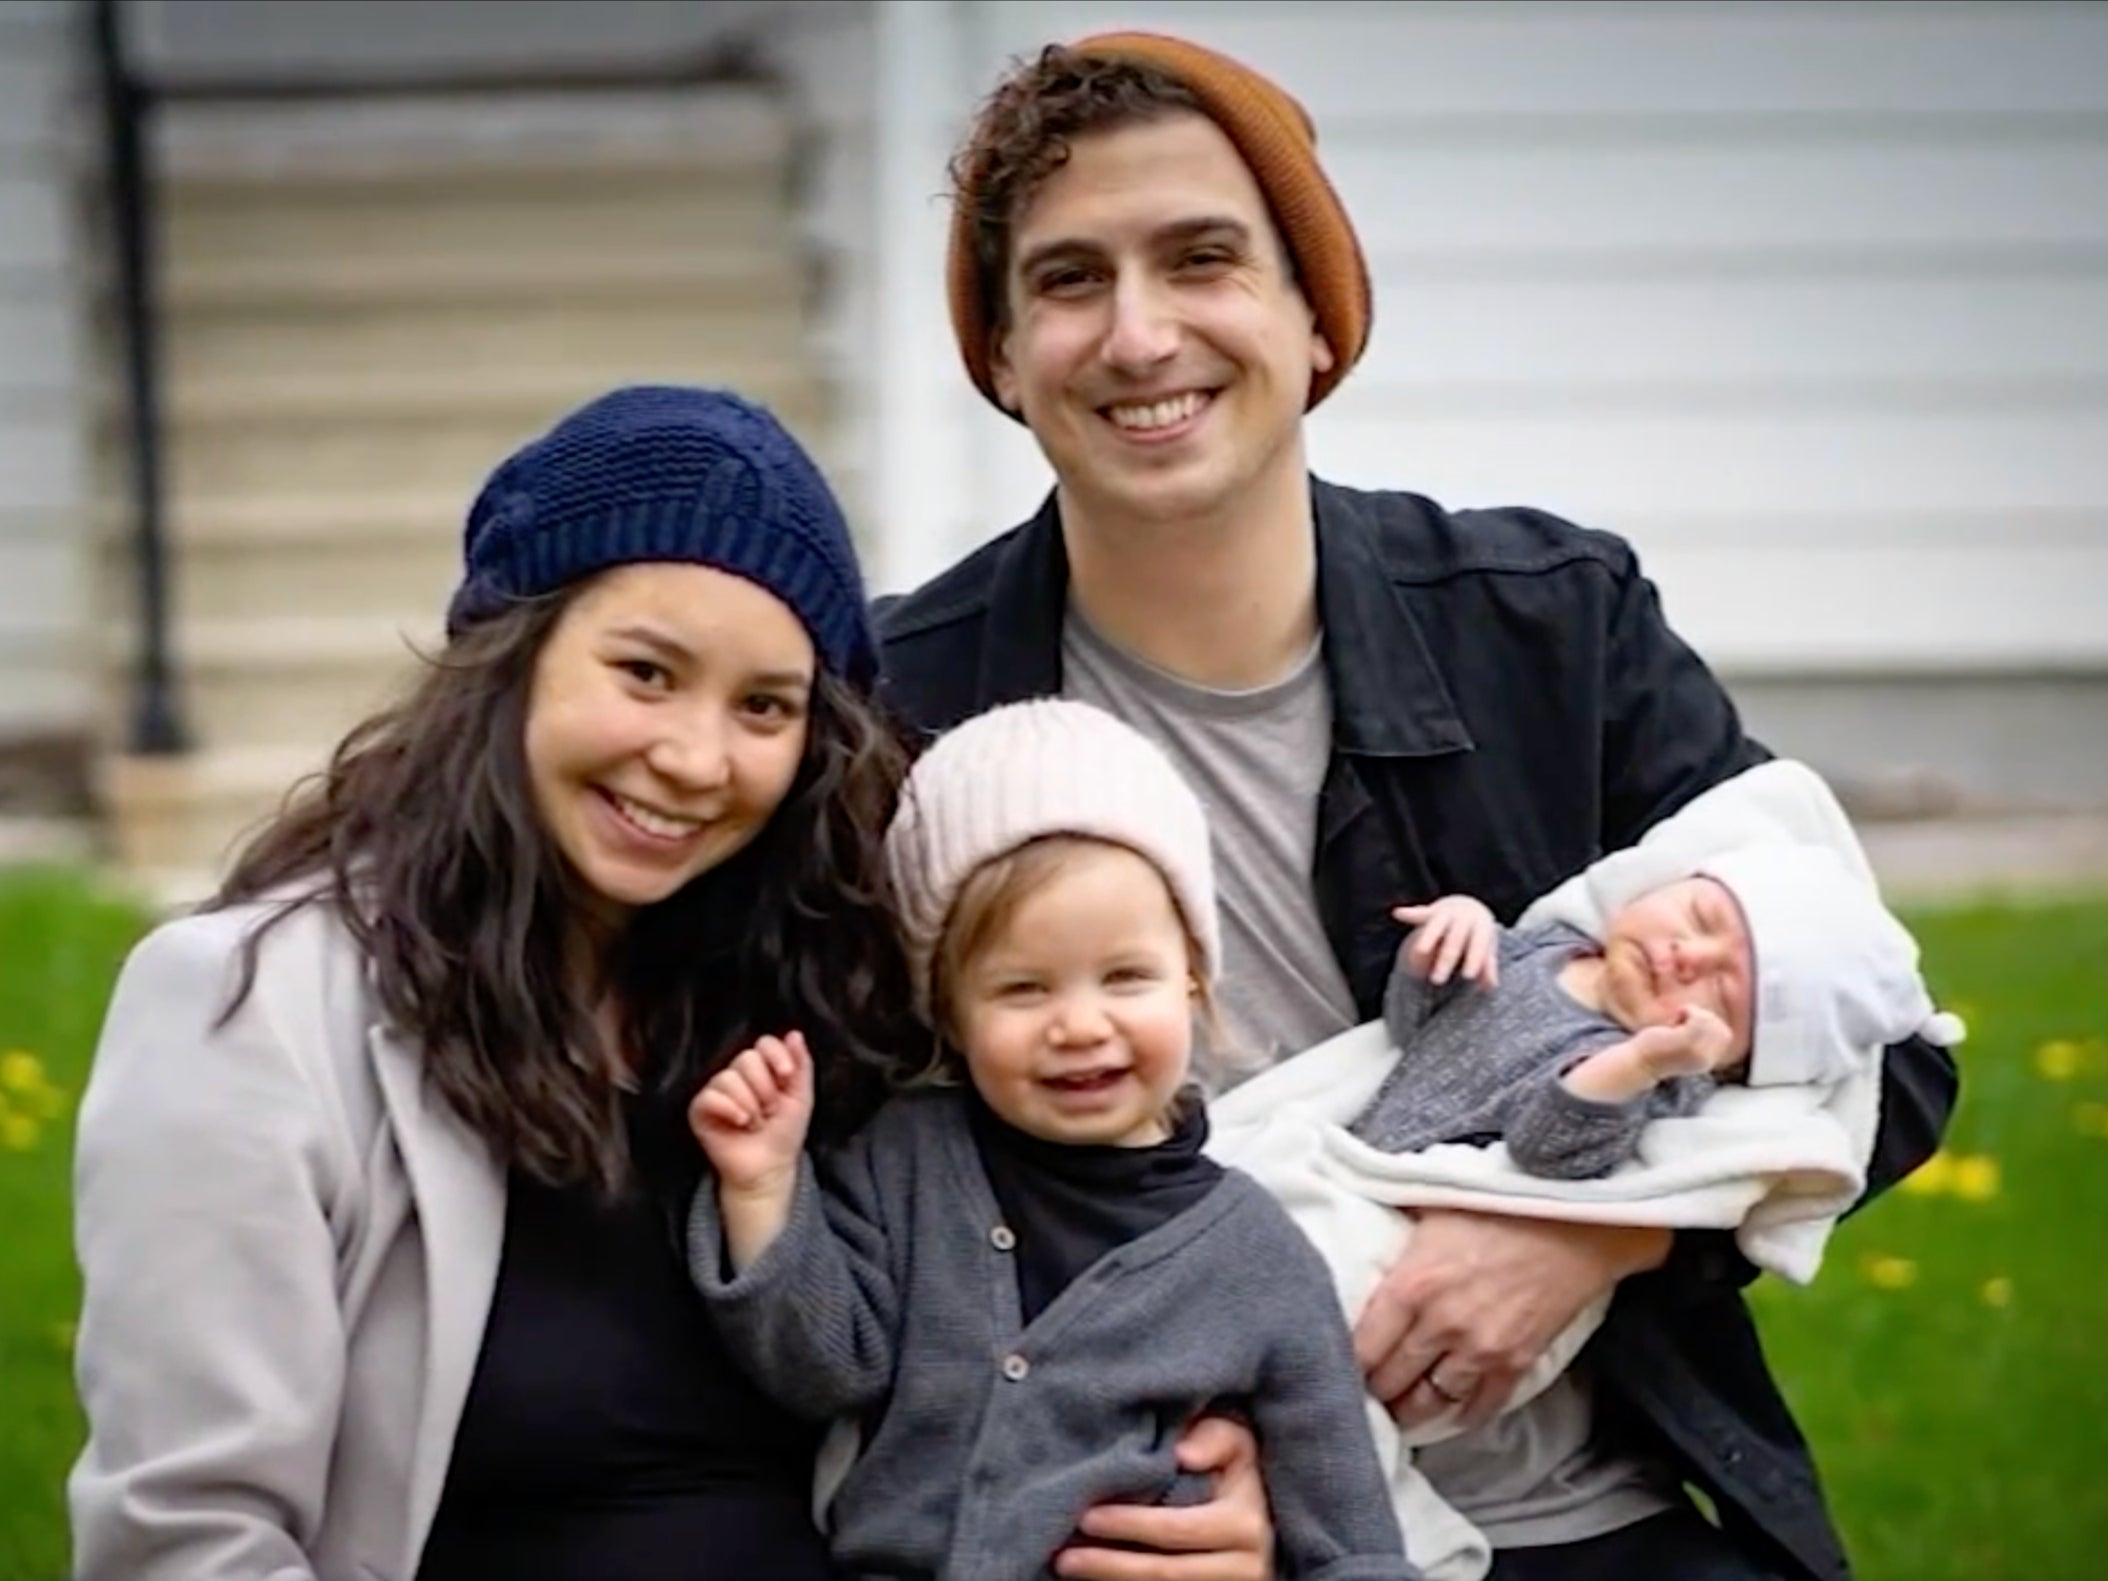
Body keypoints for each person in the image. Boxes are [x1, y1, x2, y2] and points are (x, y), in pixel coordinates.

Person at [871, 30, 1961, 1581]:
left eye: (1202, 260)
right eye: (1067, 280)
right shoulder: (900, 714)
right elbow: (852, 1178)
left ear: (1318, 316)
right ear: (995, 352)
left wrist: (1596, 1227)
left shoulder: (1550, 625)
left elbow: (1897, 1053)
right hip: (1137, 1510)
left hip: (1591, 1515)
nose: (1138, 334)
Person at [66, 386, 1267, 1581]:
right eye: (645, 672)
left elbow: (1092, 1251)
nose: (696, 761)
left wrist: (1212, 1490)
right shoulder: (253, 1011)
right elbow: (185, 1544)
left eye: (763, 707)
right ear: (511, 656)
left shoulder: (819, 1003)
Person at [684, 696, 1419, 1581]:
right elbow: (825, 1368)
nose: (1080, 1024)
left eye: (1126, 976)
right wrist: (764, 1191)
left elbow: (1350, 1538)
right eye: (1023, 988)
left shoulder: (1258, 1257)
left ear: (1191, 976)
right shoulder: (903, 1160)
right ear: (949, 1009)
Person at [1353, 842, 1953, 1181]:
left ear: (1726, 1064)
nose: (1687, 956)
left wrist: (1640, 1062)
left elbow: (1547, 1147)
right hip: (1351, 1155)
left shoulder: (1658, 1080)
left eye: (1723, 991)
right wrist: (1453, 935)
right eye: (1699, 919)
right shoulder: (1547, 947)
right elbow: (1413, 1023)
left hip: (1410, 1209)